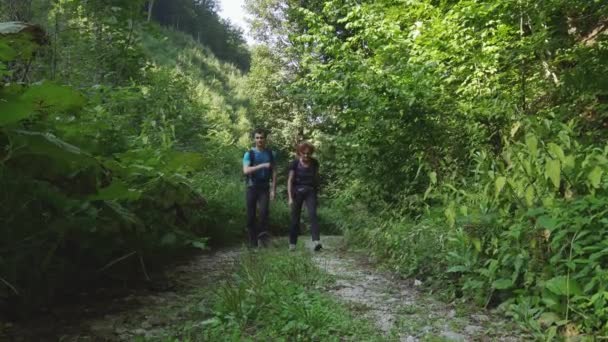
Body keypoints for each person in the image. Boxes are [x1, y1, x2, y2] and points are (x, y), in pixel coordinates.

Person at [242, 128, 277, 248]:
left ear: (265, 139)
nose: (259, 140)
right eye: (257, 137)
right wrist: (262, 165)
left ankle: (262, 239)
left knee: (263, 213)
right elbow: (246, 170)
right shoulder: (249, 154)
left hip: (264, 188)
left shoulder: (271, 154)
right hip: (252, 187)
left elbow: (274, 173)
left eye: (261, 137)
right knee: (251, 216)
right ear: (254, 139)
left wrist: (273, 190)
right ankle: (253, 244)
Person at [287, 141, 322, 251]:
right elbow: (290, 181)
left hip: (310, 191)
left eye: (308, 153)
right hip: (297, 191)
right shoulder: (295, 163)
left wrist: (316, 195)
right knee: (295, 218)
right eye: (304, 153)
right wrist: (290, 198)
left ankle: (316, 241)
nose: (306, 156)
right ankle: (292, 244)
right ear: (300, 153)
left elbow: (316, 179)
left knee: (313, 214)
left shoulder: (315, 163)